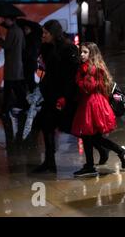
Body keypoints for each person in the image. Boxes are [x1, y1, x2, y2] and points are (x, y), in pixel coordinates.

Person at [71, 42, 125, 178]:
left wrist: (79, 78)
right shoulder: (88, 67)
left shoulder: (91, 68)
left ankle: (92, 165)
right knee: (91, 137)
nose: (81, 55)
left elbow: (87, 87)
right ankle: (118, 152)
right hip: (90, 103)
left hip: (93, 104)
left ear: (92, 54)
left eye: (85, 52)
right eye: (81, 52)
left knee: (90, 136)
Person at [33, 20, 80, 173]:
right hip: (51, 96)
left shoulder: (68, 48)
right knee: (46, 125)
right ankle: (49, 161)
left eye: (46, 33)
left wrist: (66, 96)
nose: (43, 35)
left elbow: (71, 75)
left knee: (75, 128)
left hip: (64, 97)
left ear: (53, 33)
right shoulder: (46, 48)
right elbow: (48, 71)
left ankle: (109, 149)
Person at [0, 17, 29, 116]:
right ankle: (25, 106)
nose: (5, 21)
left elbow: (7, 45)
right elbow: (23, 46)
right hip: (18, 63)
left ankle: (5, 110)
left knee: (9, 89)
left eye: (6, 19)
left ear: (11, 20)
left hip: (11, 64)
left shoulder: (11, 31)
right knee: (16, 87)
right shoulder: (19, 30)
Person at [18, 19, 42, 93]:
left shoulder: (32, 39)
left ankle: (34, 95)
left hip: (30, 63)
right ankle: (31, 95)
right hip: (28, 63)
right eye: (24, 28)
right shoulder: (27, 38)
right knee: (28, 81)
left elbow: (30, 52)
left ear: (30, 29)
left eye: (26, 29)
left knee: (30, 81)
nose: (25, 30)